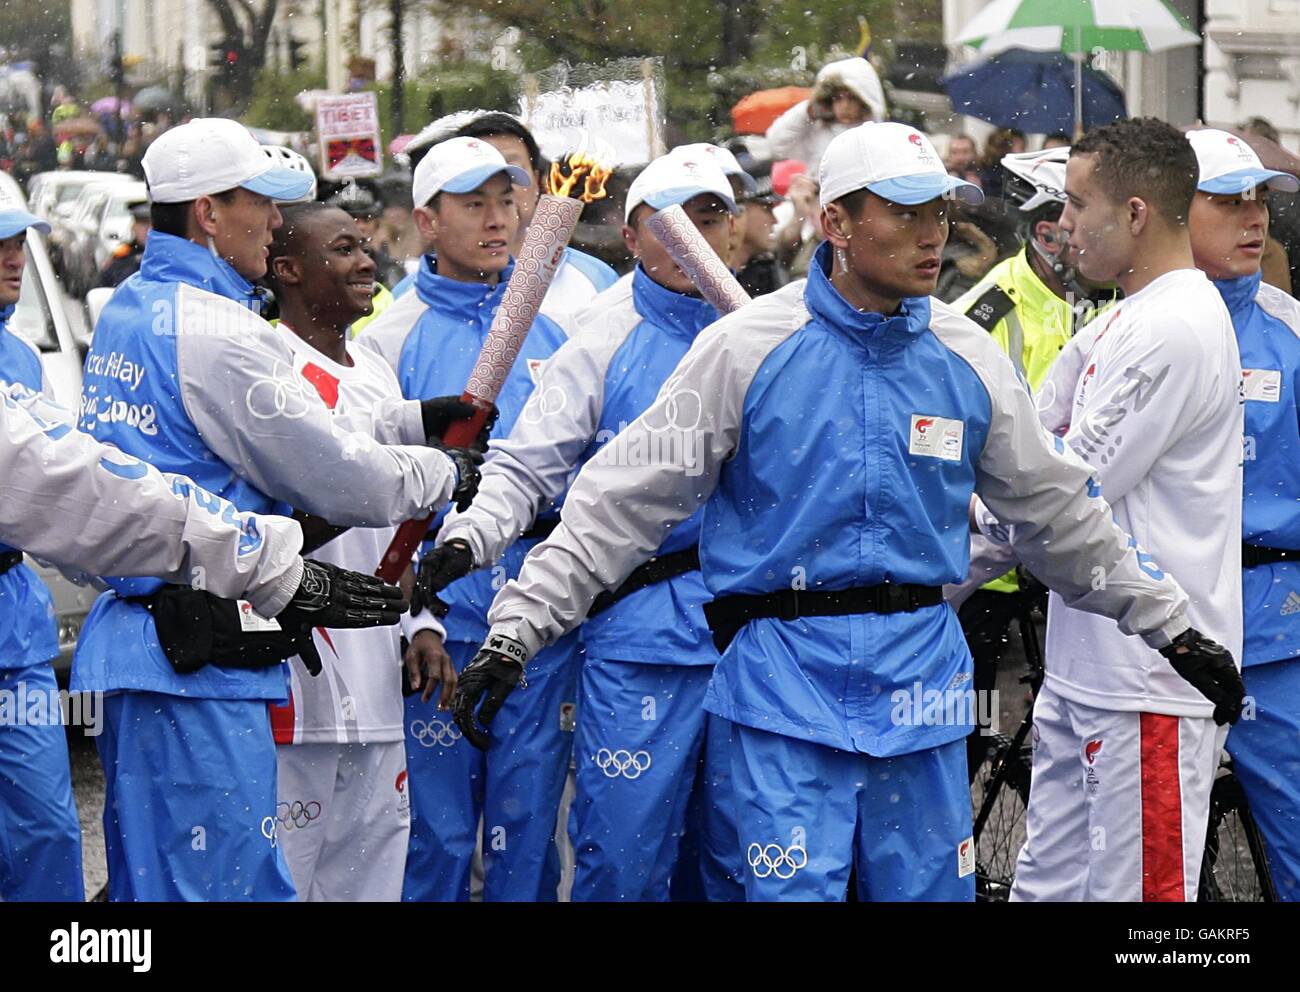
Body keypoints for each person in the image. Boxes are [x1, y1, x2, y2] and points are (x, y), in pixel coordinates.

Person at [454, 121, 1243, 903]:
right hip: (784, 693)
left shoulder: (966, 356)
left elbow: (1060, 514)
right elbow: (615, 508)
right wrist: (517, 630)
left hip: (923, 696)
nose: (933, 234)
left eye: (939, 211)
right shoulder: (745, 349)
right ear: (835, 222)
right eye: (903, 213)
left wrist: (1169, 625)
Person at [72, 117, 483, 902]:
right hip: (205, 650)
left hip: (146, 645)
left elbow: (257, 434)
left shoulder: (133, 308)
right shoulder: (219, 327)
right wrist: (442, 472)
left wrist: (404, 422)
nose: (274, 221)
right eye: (260, 202)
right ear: (209, 212)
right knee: (225, 889)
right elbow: (337, 477)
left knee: (153, 890)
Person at [416, 152, 746, 902]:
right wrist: (467, 538)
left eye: (712, 215)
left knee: (736, 860)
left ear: (736, 228)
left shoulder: (766, 332)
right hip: (639, 632)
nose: (694, 234)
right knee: (621, 861)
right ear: (631, 238)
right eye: (672, 221)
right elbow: (526, 469)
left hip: (749, 634)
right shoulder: (599, 340)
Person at [992, 119, 1244, 902]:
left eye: (1075, 203)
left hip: (1148, 682)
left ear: (1135, 213)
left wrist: (937, 563)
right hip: (1084, 668)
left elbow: (1056, 491)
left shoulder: (1173, 327)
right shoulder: (1120, 318)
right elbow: (1027, 451)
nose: (1062, 223)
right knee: (1047, 892)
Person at [356, 135, 580, 902]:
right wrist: (411, 617)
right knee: (437, 837)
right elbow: (372, 499)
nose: (498, 219)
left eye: (507, 200)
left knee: (528, 837)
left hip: (537, 621)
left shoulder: (563, 322)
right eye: (473, 204)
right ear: (426, 219)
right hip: (438, 627)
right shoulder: (385, 339)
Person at [262, 201, 456, 901]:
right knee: (287, 879)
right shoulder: (268, 367)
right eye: (342, 249)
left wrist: (420, 622)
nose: (366, 261)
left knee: (371, 880)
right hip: (300, 676)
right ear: (287, 270)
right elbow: (287, 514)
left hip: (375, 674)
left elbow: (402, 522)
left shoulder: (375, 366)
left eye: (366, 246)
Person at [953, 146, 1118, 773]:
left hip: (1081, 544)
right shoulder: (989, 310)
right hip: (995, 566)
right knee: (972, 722)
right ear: (1046, 231)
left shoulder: (1108, 298)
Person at [1184, 127, 1300, 900]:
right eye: (1228, 202)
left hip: (1279, 628)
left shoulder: (1290, 326)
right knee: (1146, 867)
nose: (1253, 219)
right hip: (1164, 636)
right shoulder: (1121, 330)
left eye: (1258, 200)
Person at [0, 206, 83, 899]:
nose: (13, 257)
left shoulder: (23, 357)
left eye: (16, 240)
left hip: (16, 632)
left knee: (48, 828)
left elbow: (70, 482)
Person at [395, 112, 617, 331]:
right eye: (476, 201)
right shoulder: (405, 303)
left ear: (539, 182)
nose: (496, 216)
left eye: (506, 182)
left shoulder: (594, 278)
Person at [765, 57, 887, 168]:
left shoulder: (878, 137)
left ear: (864, 101)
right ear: (829, 100)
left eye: (852, 98)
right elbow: (776, 145)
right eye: (838, 98)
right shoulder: (817, 131)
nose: (845, 106)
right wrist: (807, 112)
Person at [98, 199, 150, 288]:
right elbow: (107, 287)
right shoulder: (123, 255)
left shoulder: (169, 255)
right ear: (133, 227)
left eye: (153, 225)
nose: (148, 229)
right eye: (143, 224)